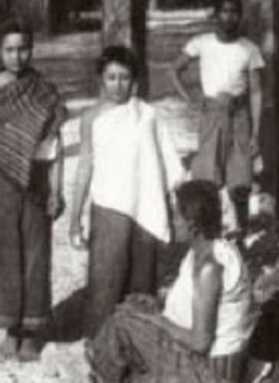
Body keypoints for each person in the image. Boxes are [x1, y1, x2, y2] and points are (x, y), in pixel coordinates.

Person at [87, 180, 258, 383]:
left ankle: (103, 374)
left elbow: (200, 342)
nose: (172, 221)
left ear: (193, 225)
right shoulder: (214, 249)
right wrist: (157, 306)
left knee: (122, 323)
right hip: (211, 362)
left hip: (211, 372)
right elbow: (201, 309)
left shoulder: (208, 268)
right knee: (128, 313)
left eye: (176, 215)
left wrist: (154, 318)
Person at [69, 45, 185, 338]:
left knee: (141, 281)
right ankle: (100, 347)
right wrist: (75, 218)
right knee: (105, 281)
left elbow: (166, 160)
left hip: (144, 207)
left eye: (124, 77)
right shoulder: (91, 119)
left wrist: (173, 207)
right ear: (100, 79)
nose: (117, 85)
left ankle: (138, 346)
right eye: (111, 77)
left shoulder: (147, 115)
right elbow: (84, 167)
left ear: (134, 80)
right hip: (108, 208)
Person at [0, 17, 68, 362]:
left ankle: (32, 330)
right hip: (0, 180)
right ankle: (10, 328)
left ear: (32, 49)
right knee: (5, 252)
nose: (17, 56)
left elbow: (56, 142)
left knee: (35, 252)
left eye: (23, 48)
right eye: (10, 50)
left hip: (37, 180)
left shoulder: (43, 89)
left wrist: (57, 188)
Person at [170, 0, 264, 235]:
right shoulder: (202, 42)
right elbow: (174, 70)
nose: (229, 17)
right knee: (207, 179)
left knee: (240, 181)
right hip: (212, 116)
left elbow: (256, 92)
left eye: (234, 12)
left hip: (239, 116)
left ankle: (241, 233)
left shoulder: (249, 49)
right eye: (224, 11)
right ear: (216, 14)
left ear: (240, 16)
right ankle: (209, 235)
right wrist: (191, 99)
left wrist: (255, 133)